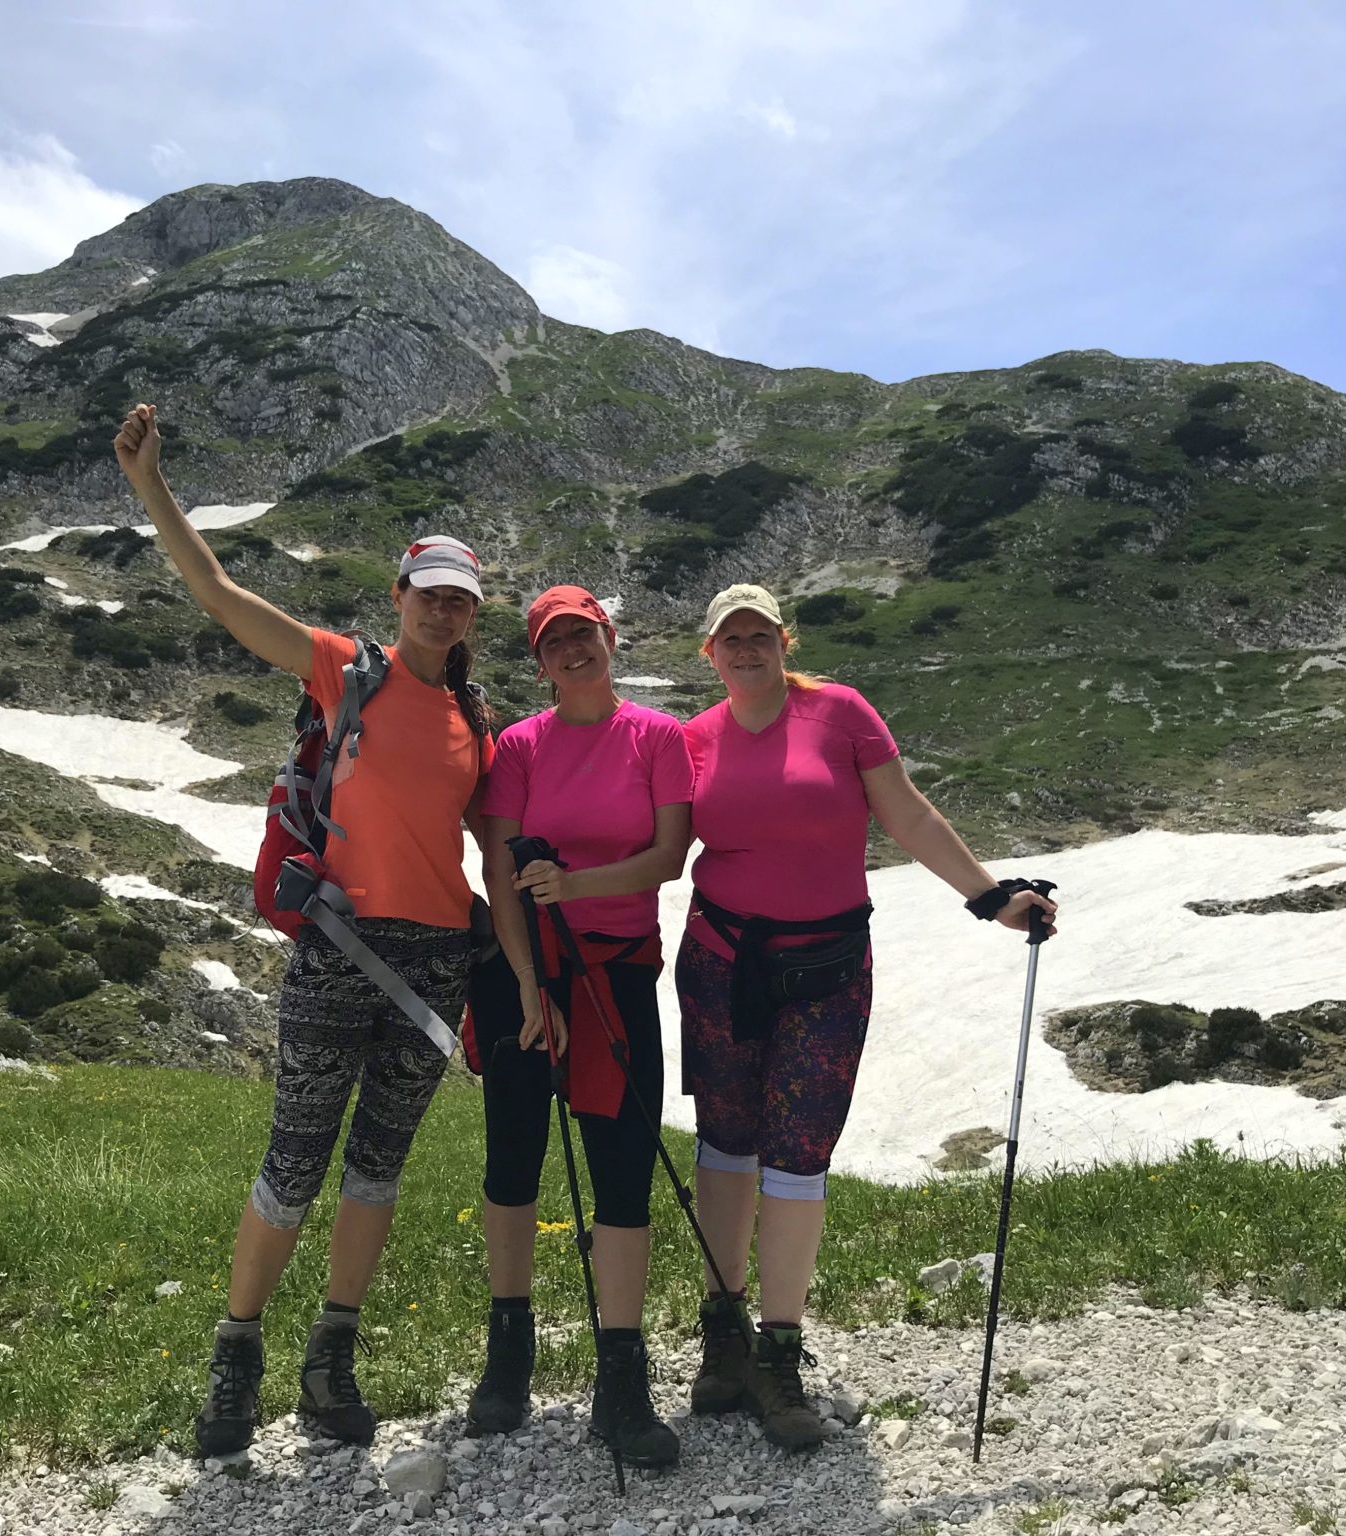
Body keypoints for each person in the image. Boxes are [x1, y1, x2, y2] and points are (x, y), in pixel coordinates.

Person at [112, 404, 496, 1452]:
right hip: (340, 949)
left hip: (434, 967)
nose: (444, 614)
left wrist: (528, 974)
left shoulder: (476, 724)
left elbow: (492, 855)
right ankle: (234, 1360)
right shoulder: (345, 669)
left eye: (461, 603)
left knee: (376, 1169)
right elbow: (219, 595)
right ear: (399, 597)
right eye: (431, 597)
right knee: (295, 1156)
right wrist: (151, 485)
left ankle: (331, 1360)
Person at [677, 583, 1057, 1452]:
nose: (746, 649)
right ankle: (723, 1335)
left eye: (760, 634)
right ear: (710, 652)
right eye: (729, 638)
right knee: (726, 1144)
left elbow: (908, 812)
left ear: (784, 639)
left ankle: (778, 1351)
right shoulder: (692, 739)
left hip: (828, 970)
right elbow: (658, 840)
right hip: (720, 965)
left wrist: (990, 897)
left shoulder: (841, 713)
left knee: (798, 1153)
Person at [464, 586, 695, 1466]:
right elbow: (499, 866)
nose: (572, 651)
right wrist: (528, 987)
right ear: (539, 661)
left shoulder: (658, 737)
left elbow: (669, 858)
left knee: (624, 1164)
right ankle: (509, 1350)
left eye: (583, 635)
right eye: (554, 641)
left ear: (609, 638)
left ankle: (622, 1377)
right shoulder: (519, 747)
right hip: (526, 971)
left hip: (618, 970)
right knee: (514, 1154)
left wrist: (576, 887)